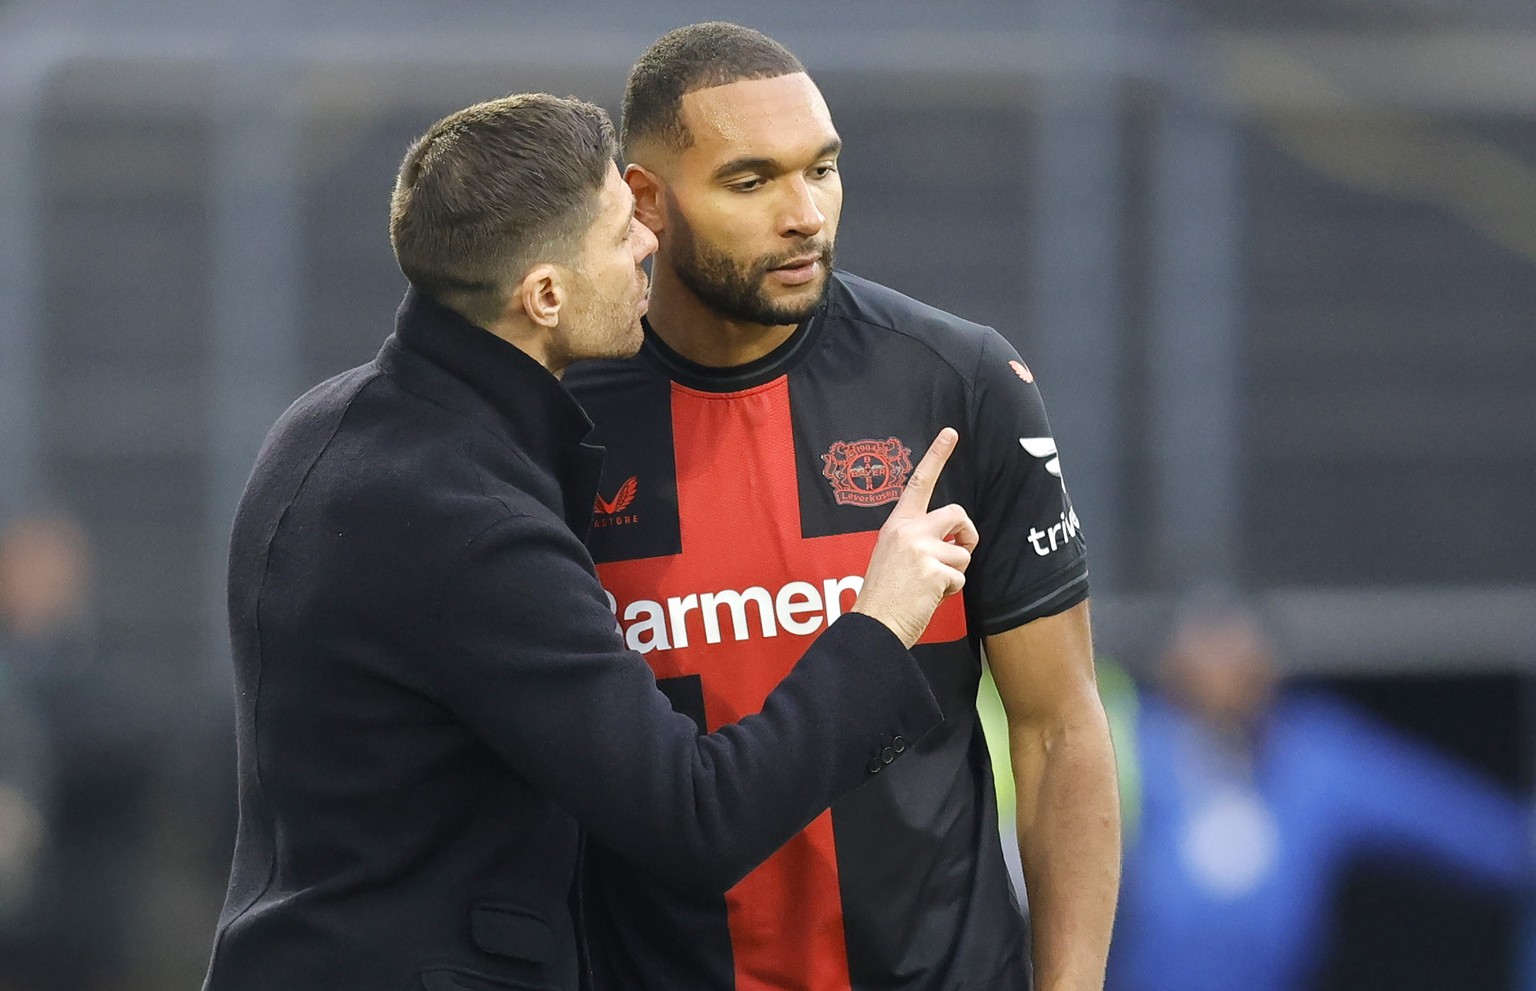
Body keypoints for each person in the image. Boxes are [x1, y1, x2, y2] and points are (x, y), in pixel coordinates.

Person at [201, 92, 982, 991]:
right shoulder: (472, 529)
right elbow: (696, 816)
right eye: (619, 233)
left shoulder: (322, 425)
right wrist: (879, 625)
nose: (651, 242)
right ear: (544, 295)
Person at [563, 23, 1120, 991]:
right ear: (645, 201)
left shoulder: (958, 379)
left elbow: (1060, 726)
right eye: (751, 181)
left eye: (822, 169)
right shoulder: (558, 415)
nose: (804, 214)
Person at [1107, 595, 1533, 991]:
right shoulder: (1131, 747)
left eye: (1241, 660)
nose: (1224, 680)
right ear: (1168, 670)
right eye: (1205, 659)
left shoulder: (1315, 756)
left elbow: (1457, 824)